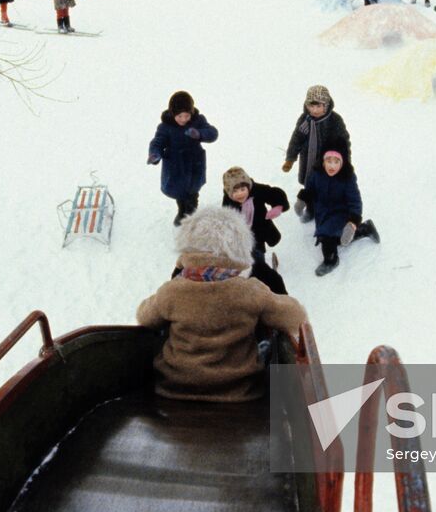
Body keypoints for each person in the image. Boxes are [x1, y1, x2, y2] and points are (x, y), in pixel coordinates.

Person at [137, 206, 307, 402]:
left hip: (175, 388)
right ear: (240, 248)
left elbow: (144, 316)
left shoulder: (172, 291)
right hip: (238, 392)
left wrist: (180, 268)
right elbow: (295, 315)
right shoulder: (250, 291)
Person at [298, 149, 379, 276]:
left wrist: (352, 222)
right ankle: (365, 229)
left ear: (342, 163)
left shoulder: (347, 178)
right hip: (323, 211)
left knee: (326, 237)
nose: (332, 166)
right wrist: (303, 199)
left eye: (336, 162)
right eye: (328, 161)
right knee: (338, 238)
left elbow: (355, 202)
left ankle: (331, 260)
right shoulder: (316, 174)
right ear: (323, 162)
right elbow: (310, 189)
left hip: (341, 213)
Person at [147, 90, 218, 226]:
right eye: (179, 116)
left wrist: (199, 134)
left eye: (186, 115)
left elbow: (213, 133)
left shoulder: (198, 121)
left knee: (192, 193)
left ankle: (191, 216)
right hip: (175, 166)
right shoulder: (165, 127)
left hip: (194, 164)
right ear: (173, 114)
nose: (183, 119)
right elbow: (157, 142)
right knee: (179, 193)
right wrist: (155, 153)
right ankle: (181, 211)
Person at [282, 85, 351, 220]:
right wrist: (290, 158)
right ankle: (311, 210)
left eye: (318, 106)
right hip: (308, 162)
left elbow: (344, 142)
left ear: (325, 105)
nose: (314, 110)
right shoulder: (305, 120)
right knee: (310, 185)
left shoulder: (334, 121)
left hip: (328, 163)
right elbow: (297, 138)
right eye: (311, 106)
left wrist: (345, 163)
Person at [219, 166, 289, 294]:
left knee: (258, 258)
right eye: (235, 191)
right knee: (245, 261)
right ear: (229, 193)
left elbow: (276, 193)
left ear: (248, 187)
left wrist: (278, 206)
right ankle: (251, 279)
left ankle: (264, 278)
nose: (240, 194)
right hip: (241, 240)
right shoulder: (228, 203)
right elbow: (225, 220)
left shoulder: (257, 190)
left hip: (259, 232)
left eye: (242, 189)